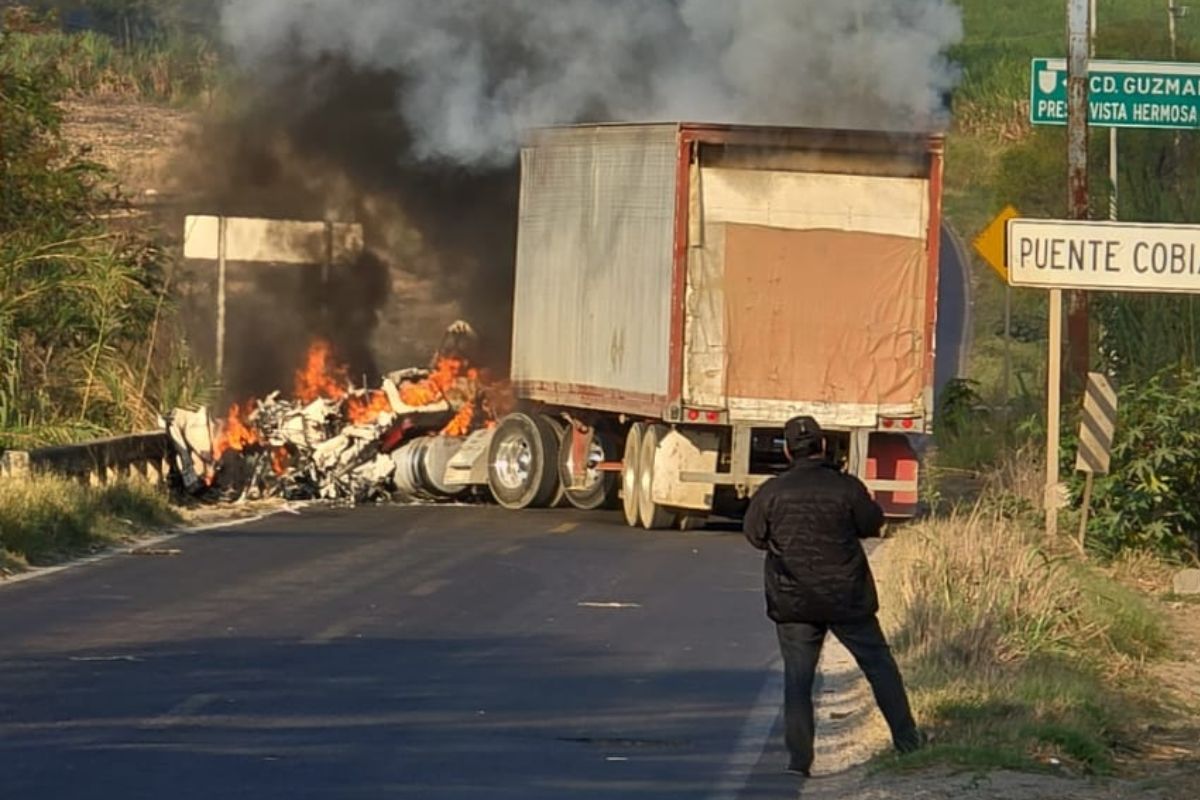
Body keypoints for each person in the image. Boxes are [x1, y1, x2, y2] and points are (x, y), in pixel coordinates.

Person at [743, 415, 923, 778]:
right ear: (823, 447)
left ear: (789, 451)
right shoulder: (847, 488)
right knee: (879, 667)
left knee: (798, 679)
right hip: (847, 598)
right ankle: (908, 743)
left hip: (793, 601)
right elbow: (871, 524)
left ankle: (799, 761)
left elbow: (754, 535)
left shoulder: (772, 491)